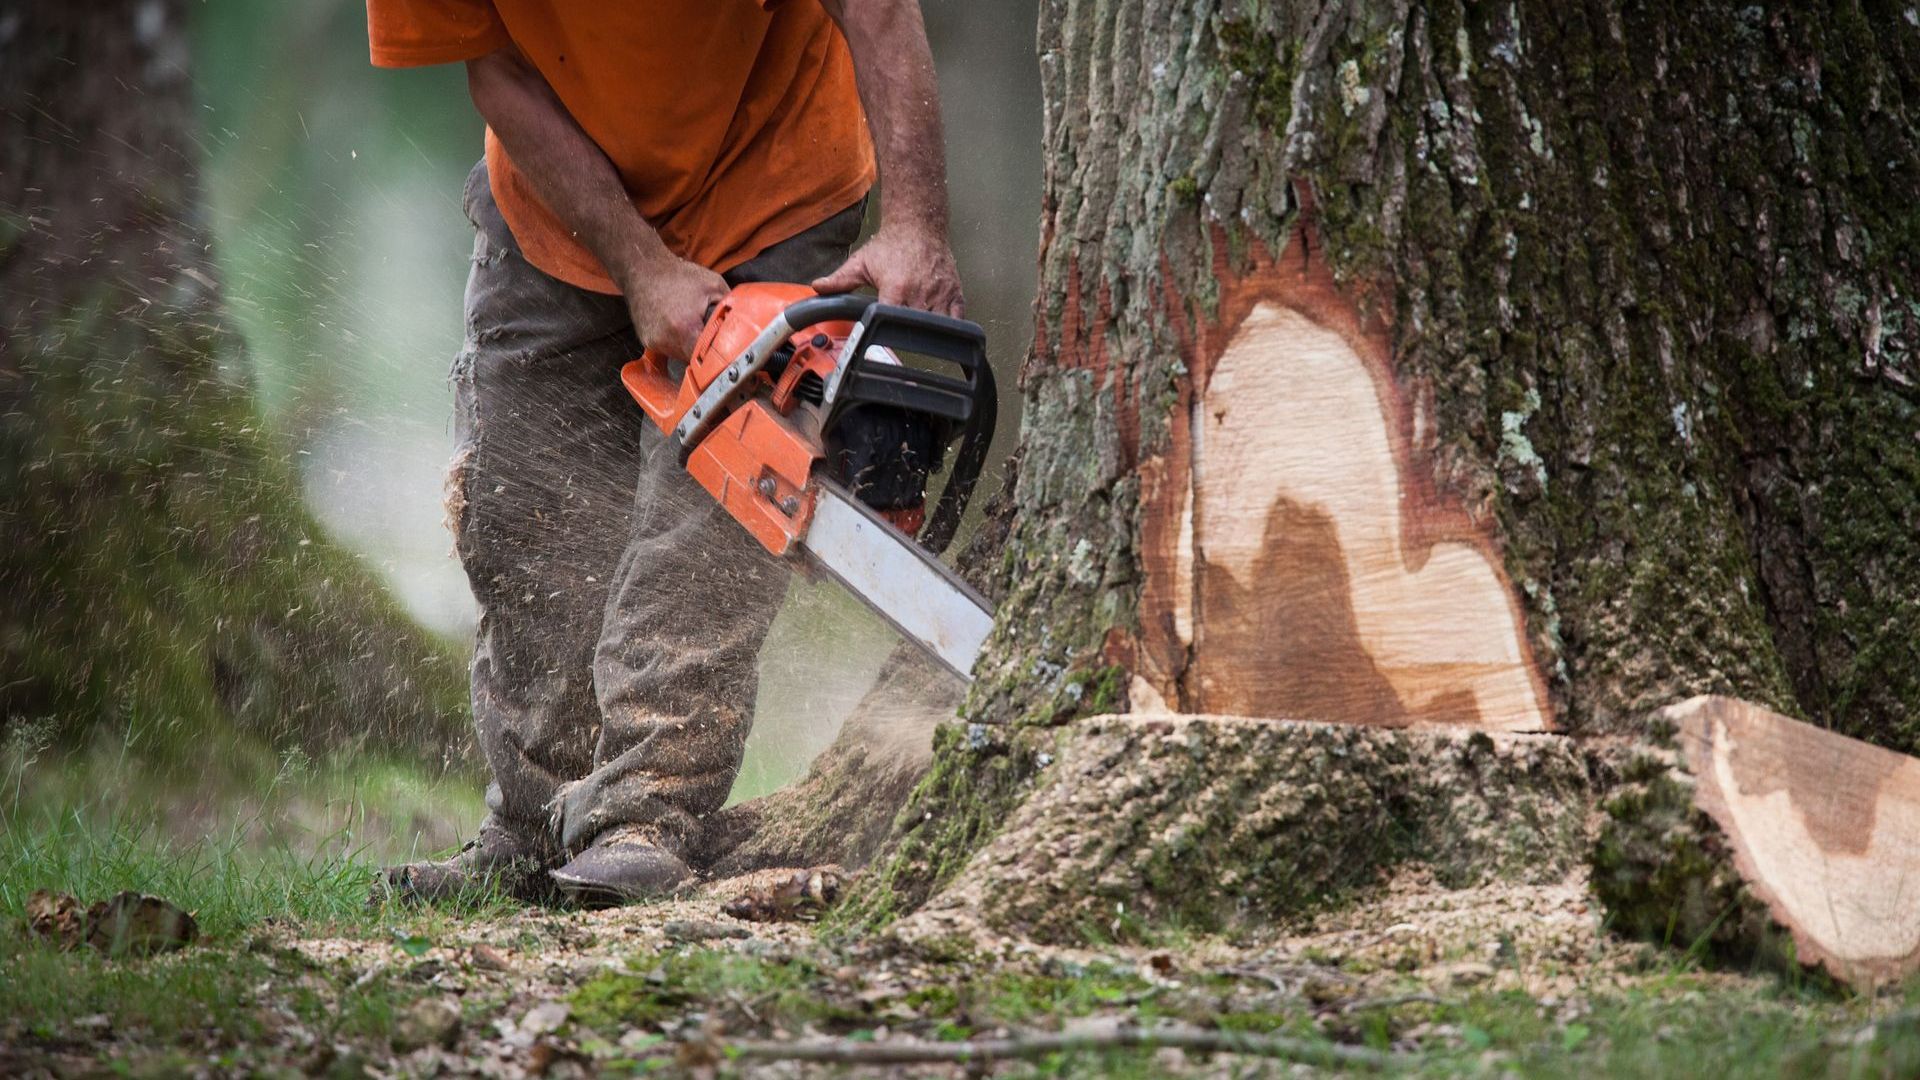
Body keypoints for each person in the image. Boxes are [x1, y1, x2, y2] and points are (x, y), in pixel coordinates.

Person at [365, 0, 963, 905]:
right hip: (552, 198)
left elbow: (877, 8)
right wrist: (641, 266)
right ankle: (529, 824)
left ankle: (642, 815)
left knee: (706, 519)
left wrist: (916, 226)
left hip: (774, 177)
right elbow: (497, 69)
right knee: (520, 503)